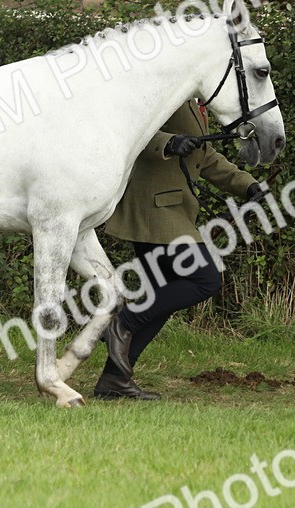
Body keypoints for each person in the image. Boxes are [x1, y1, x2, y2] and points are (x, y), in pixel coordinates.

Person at [96, 100, 265, 400]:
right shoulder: (165, 90)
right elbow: (133, 132)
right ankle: (121, 323)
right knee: (205, 279)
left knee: (162, 300)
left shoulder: (193, 100)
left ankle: (114, 380)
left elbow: (205, 155)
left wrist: (247, 185)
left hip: (170, 209)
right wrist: (169, 142)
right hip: (154, 209)